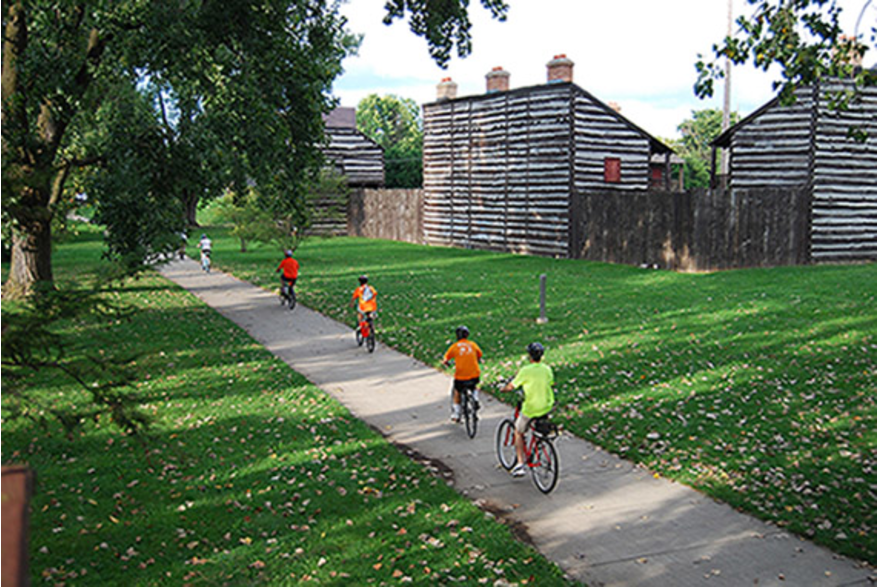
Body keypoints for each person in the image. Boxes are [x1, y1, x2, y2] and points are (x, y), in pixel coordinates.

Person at [501, 342, 555, 477]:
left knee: (518, 432)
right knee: (539, 428)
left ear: (529, 356)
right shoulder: (547, 369)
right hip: (546, 406)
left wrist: (503, 389)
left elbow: (512, 386)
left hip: (531, 408)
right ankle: (539, 445)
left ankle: (520, 464)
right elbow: (550, 382)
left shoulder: (525, 371)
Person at [442, 326, 482, 423]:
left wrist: (446, 363)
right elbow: (479, 354)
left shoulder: (455, 347)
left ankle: (456, 413)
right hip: (474, 374)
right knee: (474, 385)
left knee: (457, 391)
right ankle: (475, 397)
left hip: (461, 376)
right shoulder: (472, 345)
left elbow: (445, 359)